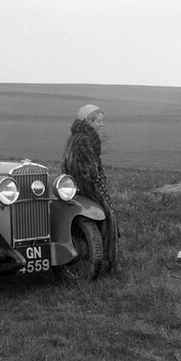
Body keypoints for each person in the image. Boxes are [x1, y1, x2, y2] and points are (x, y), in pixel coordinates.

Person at [62, 104, 119, 272]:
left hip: (74, 186)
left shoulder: (73, 138)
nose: (102, 125)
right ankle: (108, 260)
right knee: (108, 217)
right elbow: (90, 169)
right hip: (88, 186)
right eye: (99, 121)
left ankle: (92, 254)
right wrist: (98, 180)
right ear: (89, 121)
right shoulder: (86, 139)